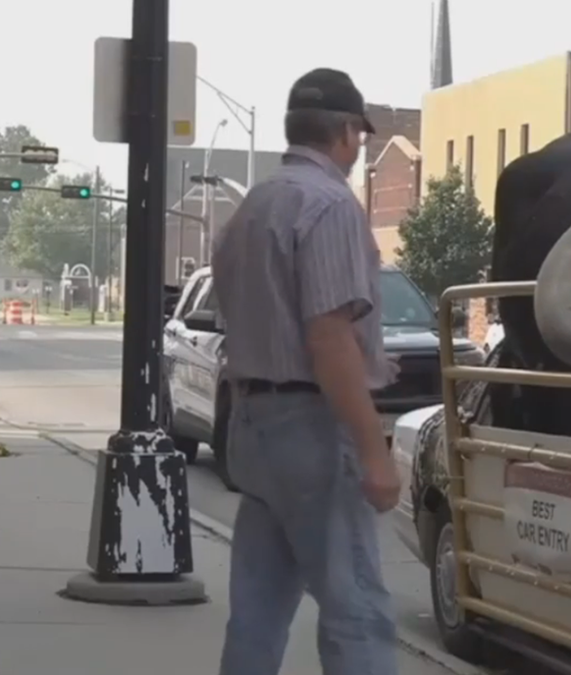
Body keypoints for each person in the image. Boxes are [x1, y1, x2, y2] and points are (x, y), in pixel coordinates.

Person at [211, 68, 401, 675]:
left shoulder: (255, 205)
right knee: (357, 610)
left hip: (251, 422)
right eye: (361, 135)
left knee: (258, 610)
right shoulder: (330, 205)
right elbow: (329, 337)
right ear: (347, 131)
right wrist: (374, 451)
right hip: (312, 427)